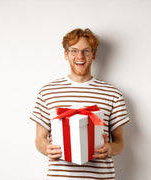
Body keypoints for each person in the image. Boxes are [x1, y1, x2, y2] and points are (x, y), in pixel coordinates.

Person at [30, 28, 130, 179]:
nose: (80, 56)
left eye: (86, 51)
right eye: (74, 51)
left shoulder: (112, 93)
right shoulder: (48, 92)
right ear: (66, 54)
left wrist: (109, 148)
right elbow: (39, 139)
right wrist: (47, 148)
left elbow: (120, 143)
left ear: (94, 54)